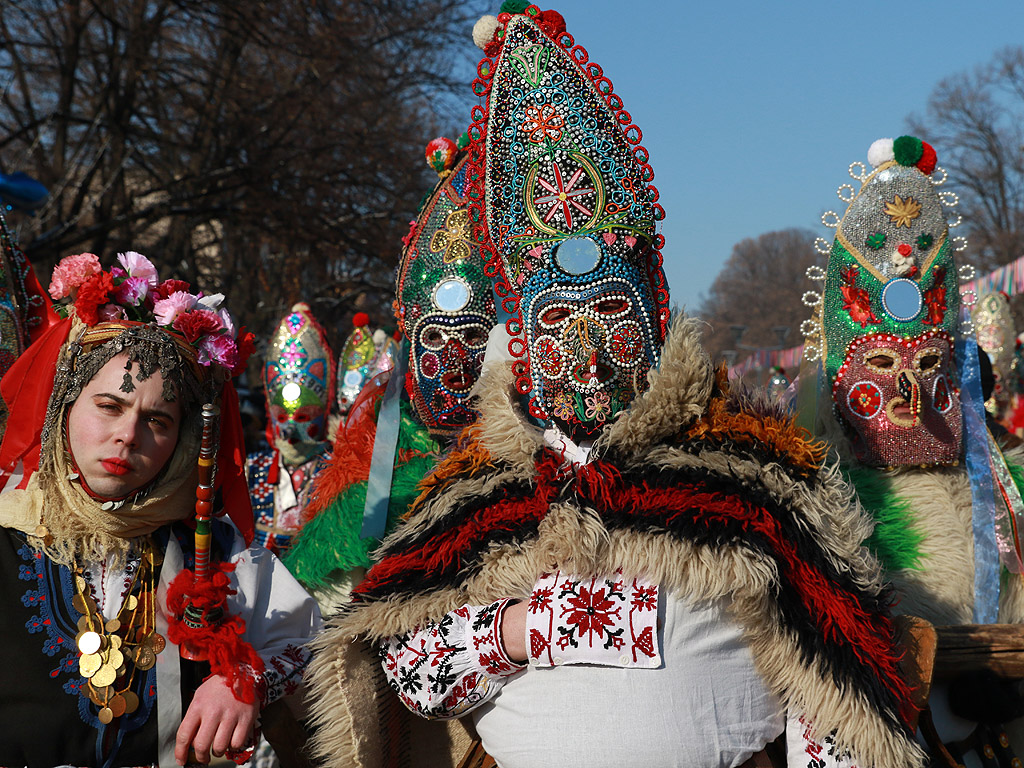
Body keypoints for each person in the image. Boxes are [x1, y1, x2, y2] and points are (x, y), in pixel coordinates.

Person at [305, 6, 924, 768]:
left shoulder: (761, 481)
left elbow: (834, 691)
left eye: (609, 311)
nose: (588, 346)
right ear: (525, 340)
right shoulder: (473, 495)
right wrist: (517, 630)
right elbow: (407, 668)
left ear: (654, 315)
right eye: (560, 316)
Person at [0, 250, 320, 766]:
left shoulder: (211, 549)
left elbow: (309, 643)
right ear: (64, 408)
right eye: (108, 406)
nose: (127, 435)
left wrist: (243, 678)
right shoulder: (7, 531)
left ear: (184, 438)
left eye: (158, 421)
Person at [799, 136, 1024, 765]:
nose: (906, 389)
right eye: (879, 362)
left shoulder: (1002, 490)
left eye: (926, 362)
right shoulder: (812, 496)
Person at [247, 302, 337, 558]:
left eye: (302, 416)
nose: (291, 427)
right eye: (283, 416)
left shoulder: (335, 470)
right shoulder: (252, 468)